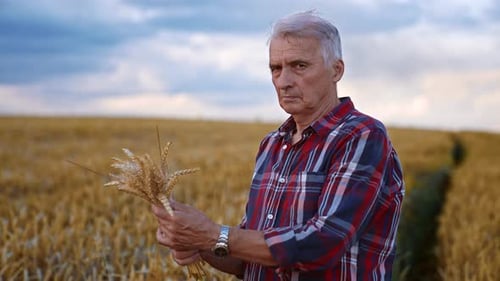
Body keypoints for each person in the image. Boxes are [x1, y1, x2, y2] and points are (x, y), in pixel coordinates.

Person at [151, 10, 405, 280]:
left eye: (299, 66)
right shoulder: (272, 145)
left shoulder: (361, 136)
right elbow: (249, 260)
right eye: (276, 68)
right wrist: (198, 243)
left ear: (336, 70)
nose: (283, 81)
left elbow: (323, 243)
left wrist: (214, 235)